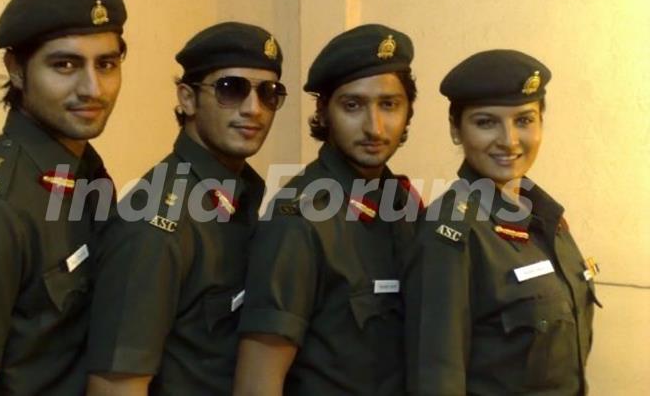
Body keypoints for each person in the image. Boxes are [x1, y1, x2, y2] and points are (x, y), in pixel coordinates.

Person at [0, 0, 128, 395]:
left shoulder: (85, 169)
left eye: (106, 64)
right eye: (65, 65)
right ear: (16, 70)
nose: (92, 89)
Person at [86, 22, 286, 395]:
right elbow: (116, 386)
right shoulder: (156, 222)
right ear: (188, 98)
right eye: (231, 89)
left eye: (269, 93)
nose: (253, 109)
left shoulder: (242, 194)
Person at [234, 24, 422, 396]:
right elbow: (259, 380)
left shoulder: (403, 205)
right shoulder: (299, 221)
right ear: (323, 112)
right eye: (353, 105)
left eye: (389, 104)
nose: (374, 126)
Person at [404, 50, 599, 395]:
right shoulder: (450, 233)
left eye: (524, 120)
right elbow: (437, 378)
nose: (509, 141)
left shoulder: (546, 219)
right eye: (486, 122)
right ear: (455, 129)